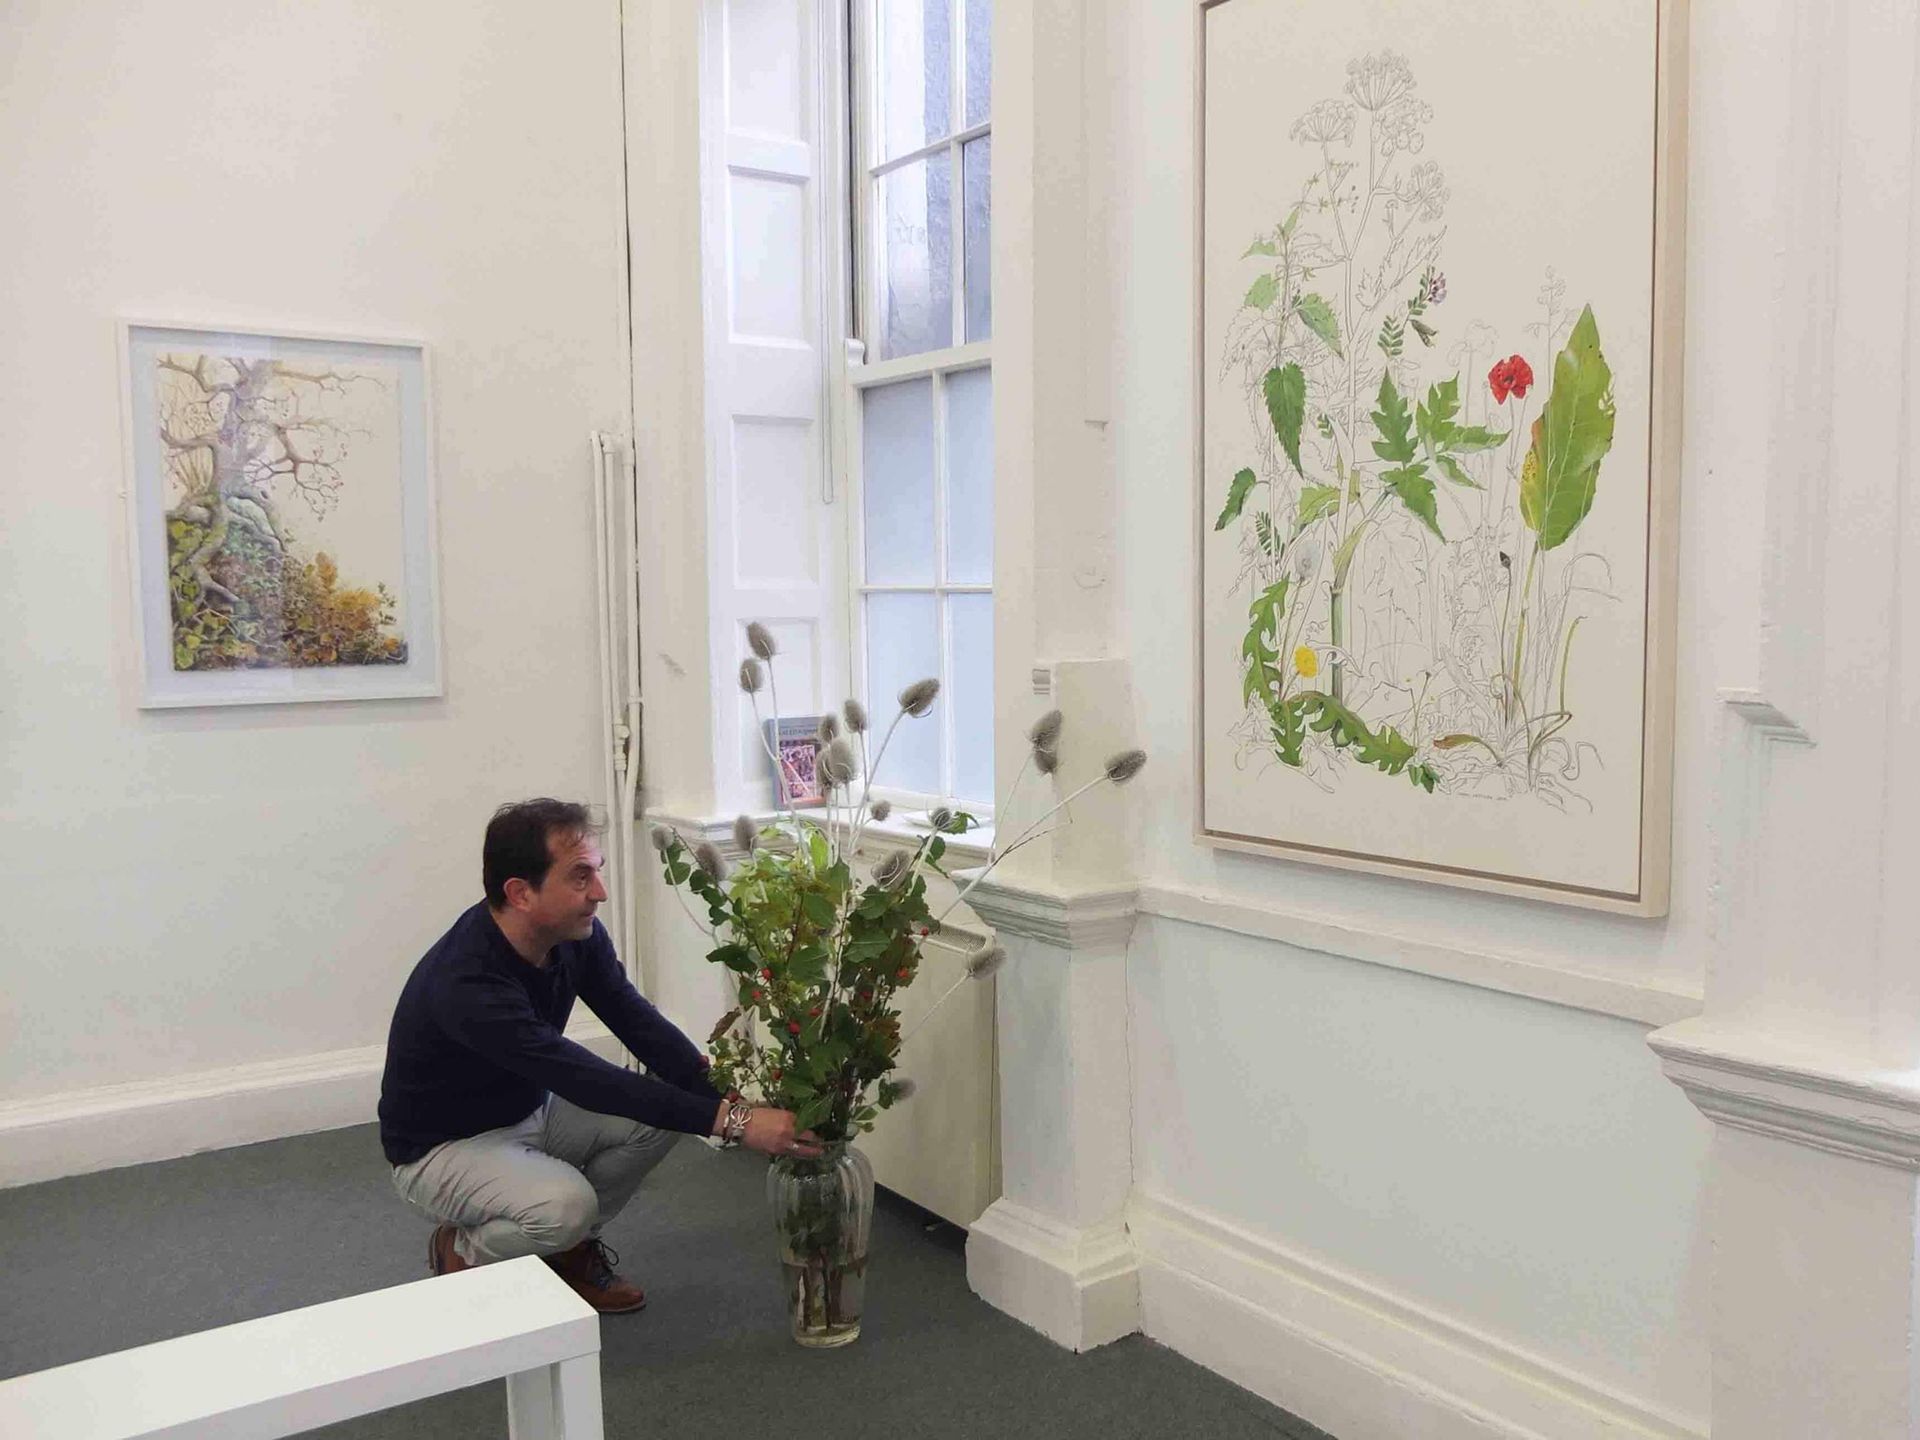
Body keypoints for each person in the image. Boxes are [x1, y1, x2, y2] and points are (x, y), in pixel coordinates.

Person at [377, 798, 820, 1314]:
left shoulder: (573, 935)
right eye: (580, 877)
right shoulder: (466, 983)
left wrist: (724, 1097)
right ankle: (461, 1251)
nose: (600, 893)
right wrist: (737, 1123)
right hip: (440, 1151)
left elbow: (636, 1021)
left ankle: (567, 1252)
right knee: (567, 1207)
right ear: (520, 893)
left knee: (666, 1111)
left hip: (530, 1110)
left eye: (597, 872)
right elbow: (583, 1078)